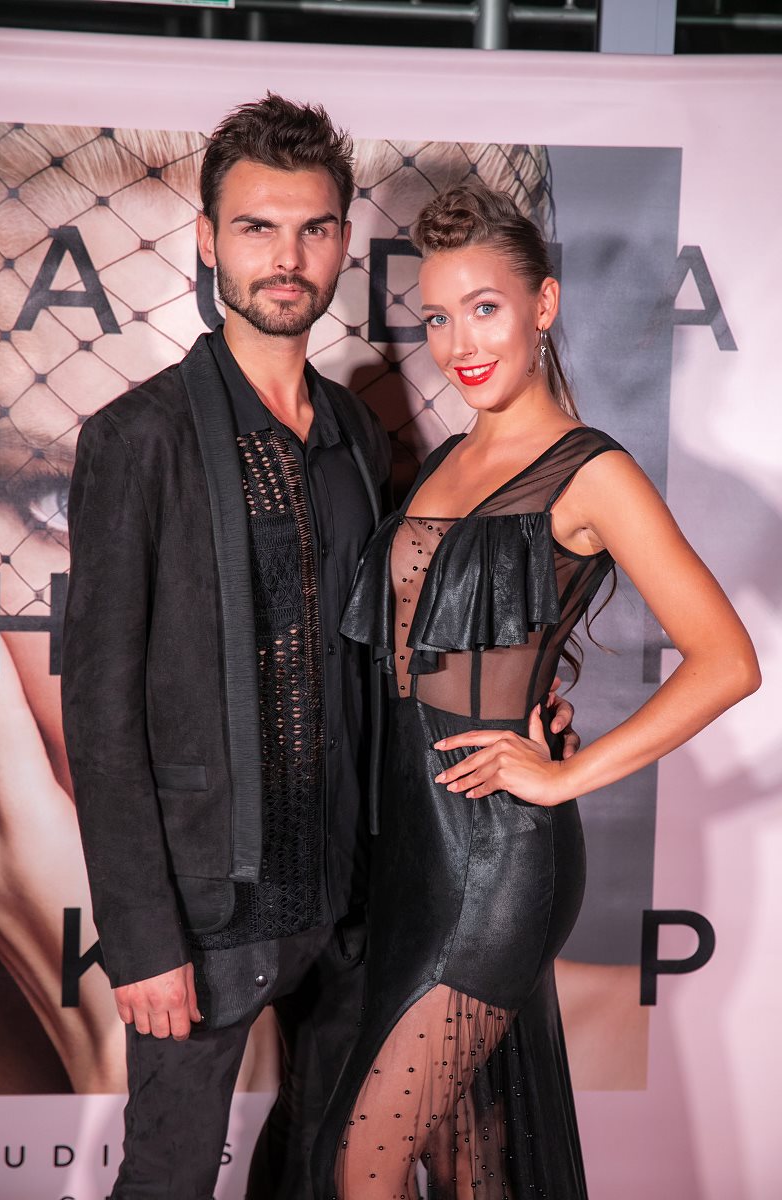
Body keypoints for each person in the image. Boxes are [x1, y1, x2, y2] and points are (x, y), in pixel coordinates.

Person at [58, 98, 580, 1199]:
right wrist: (141, 938)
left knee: (322, 1171)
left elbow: (394, 644)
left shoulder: (353, 430)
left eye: (312, 229)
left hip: (351, 898)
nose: (286, 258)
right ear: (208, 240)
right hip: (208, 908)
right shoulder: (138, 439)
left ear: (343, 240)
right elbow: (100, 713)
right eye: (257, 228)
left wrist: (514, 706)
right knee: (165, 1177)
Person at [312, 184, 761, 1199]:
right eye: (437, 317)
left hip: (497, 862)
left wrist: (563, 778)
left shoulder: (591, 472)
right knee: (463, 1161)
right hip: (411, 852)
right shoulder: (449, 460)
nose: (458, 343)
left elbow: (728, 660)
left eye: (485, 308)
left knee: (359, 1165)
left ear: (542, 305)